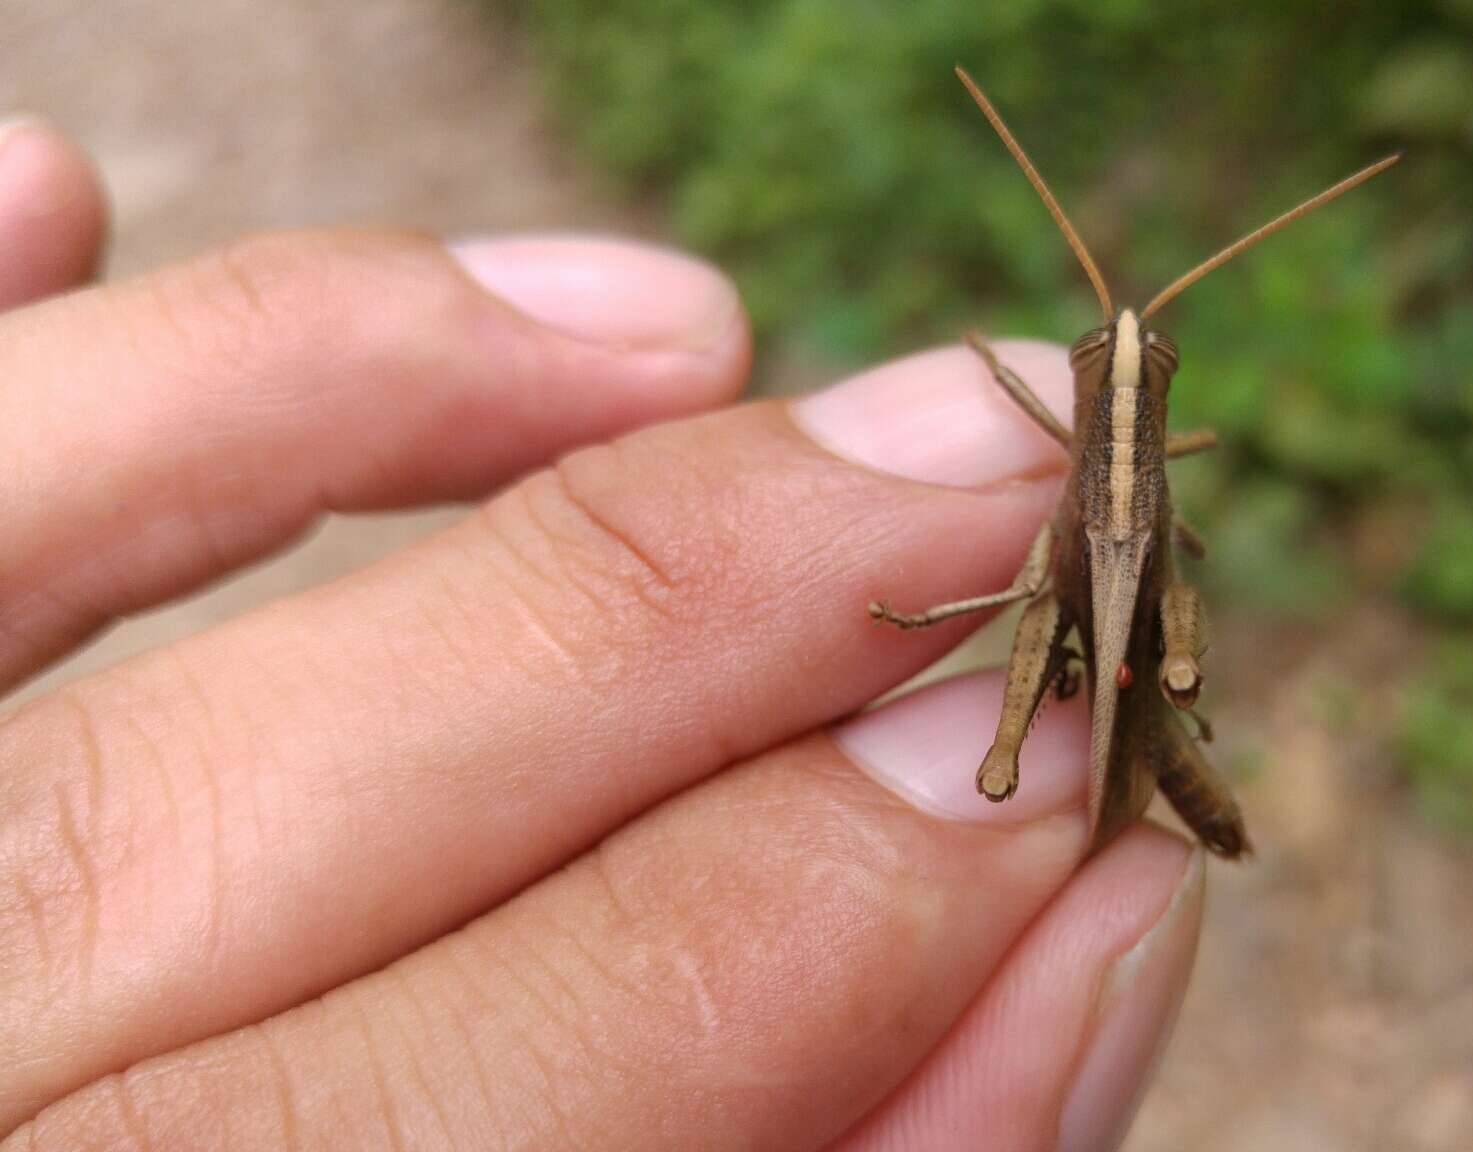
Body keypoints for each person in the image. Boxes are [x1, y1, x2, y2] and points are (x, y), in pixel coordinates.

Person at [0, 118, 1201, 1151]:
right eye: (1104, 358)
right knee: (1072, 589)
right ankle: (1073, 757)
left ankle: (1119, 738)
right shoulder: (1106, 438)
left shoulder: (1080, 434)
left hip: (1116, 595)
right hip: (1081, 587)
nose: (1115, 367)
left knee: (1118, 582)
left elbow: (1054, 488)